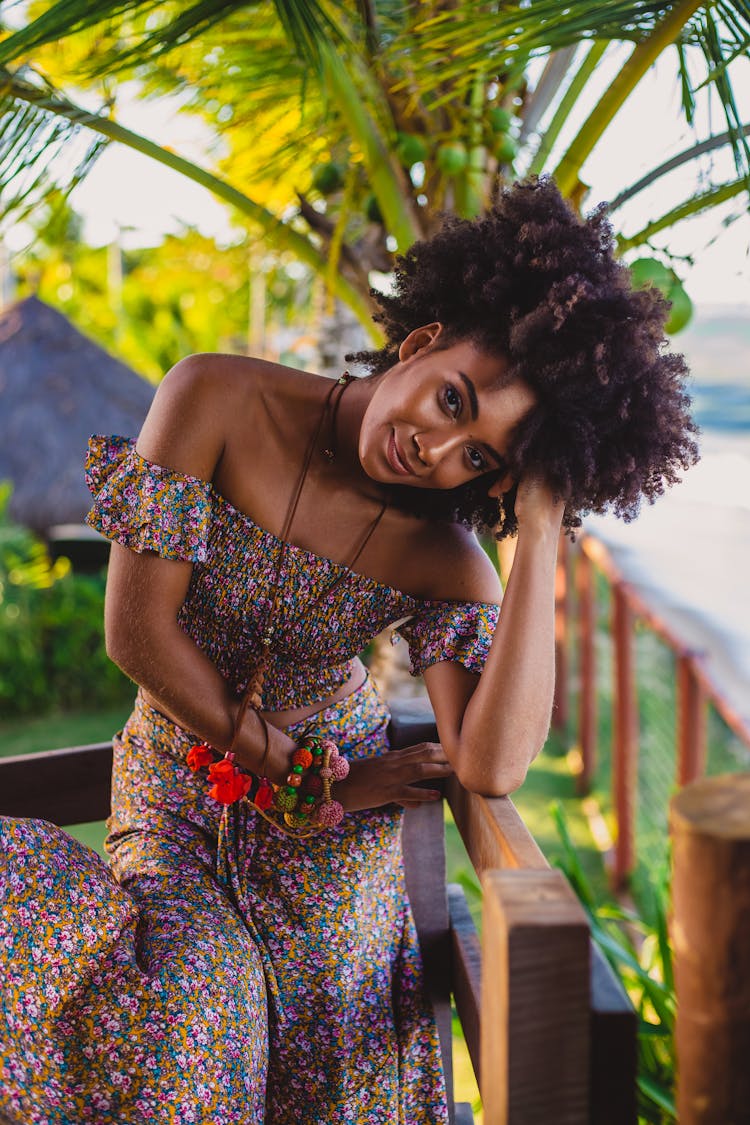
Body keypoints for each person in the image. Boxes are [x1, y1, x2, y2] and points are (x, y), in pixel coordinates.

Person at [0, 177, 697, 1124]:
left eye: (483, 459)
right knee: (194, 1014)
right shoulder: (216, 395)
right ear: (419, 343)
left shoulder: (445, 556)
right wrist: (297, 774)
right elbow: (137, 632)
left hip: (331, 859)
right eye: (452, 399)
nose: (440, 450)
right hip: (178, 803)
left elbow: (492, 760)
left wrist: (538, 524)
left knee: (335, 1078)